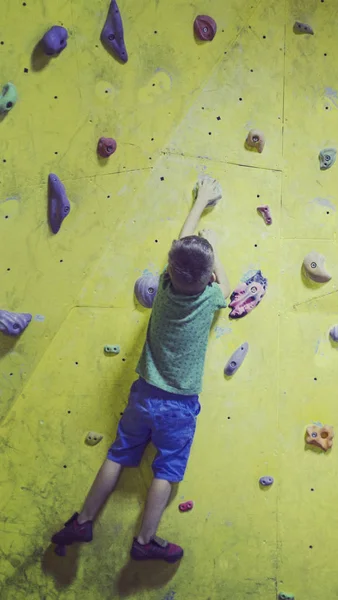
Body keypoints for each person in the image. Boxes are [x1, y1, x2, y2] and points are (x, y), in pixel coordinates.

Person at [51, 178, 230, 562]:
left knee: (118, 454)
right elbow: (228, 292)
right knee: (166, 470)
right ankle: (145, 541)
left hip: (144, 394)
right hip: (180, 407)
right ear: (208, 278)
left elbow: (178, 242)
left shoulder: (164, 287)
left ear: (169, 269)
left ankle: (82, 521)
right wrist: (215, 246)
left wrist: (199, 202)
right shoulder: (212, 296)